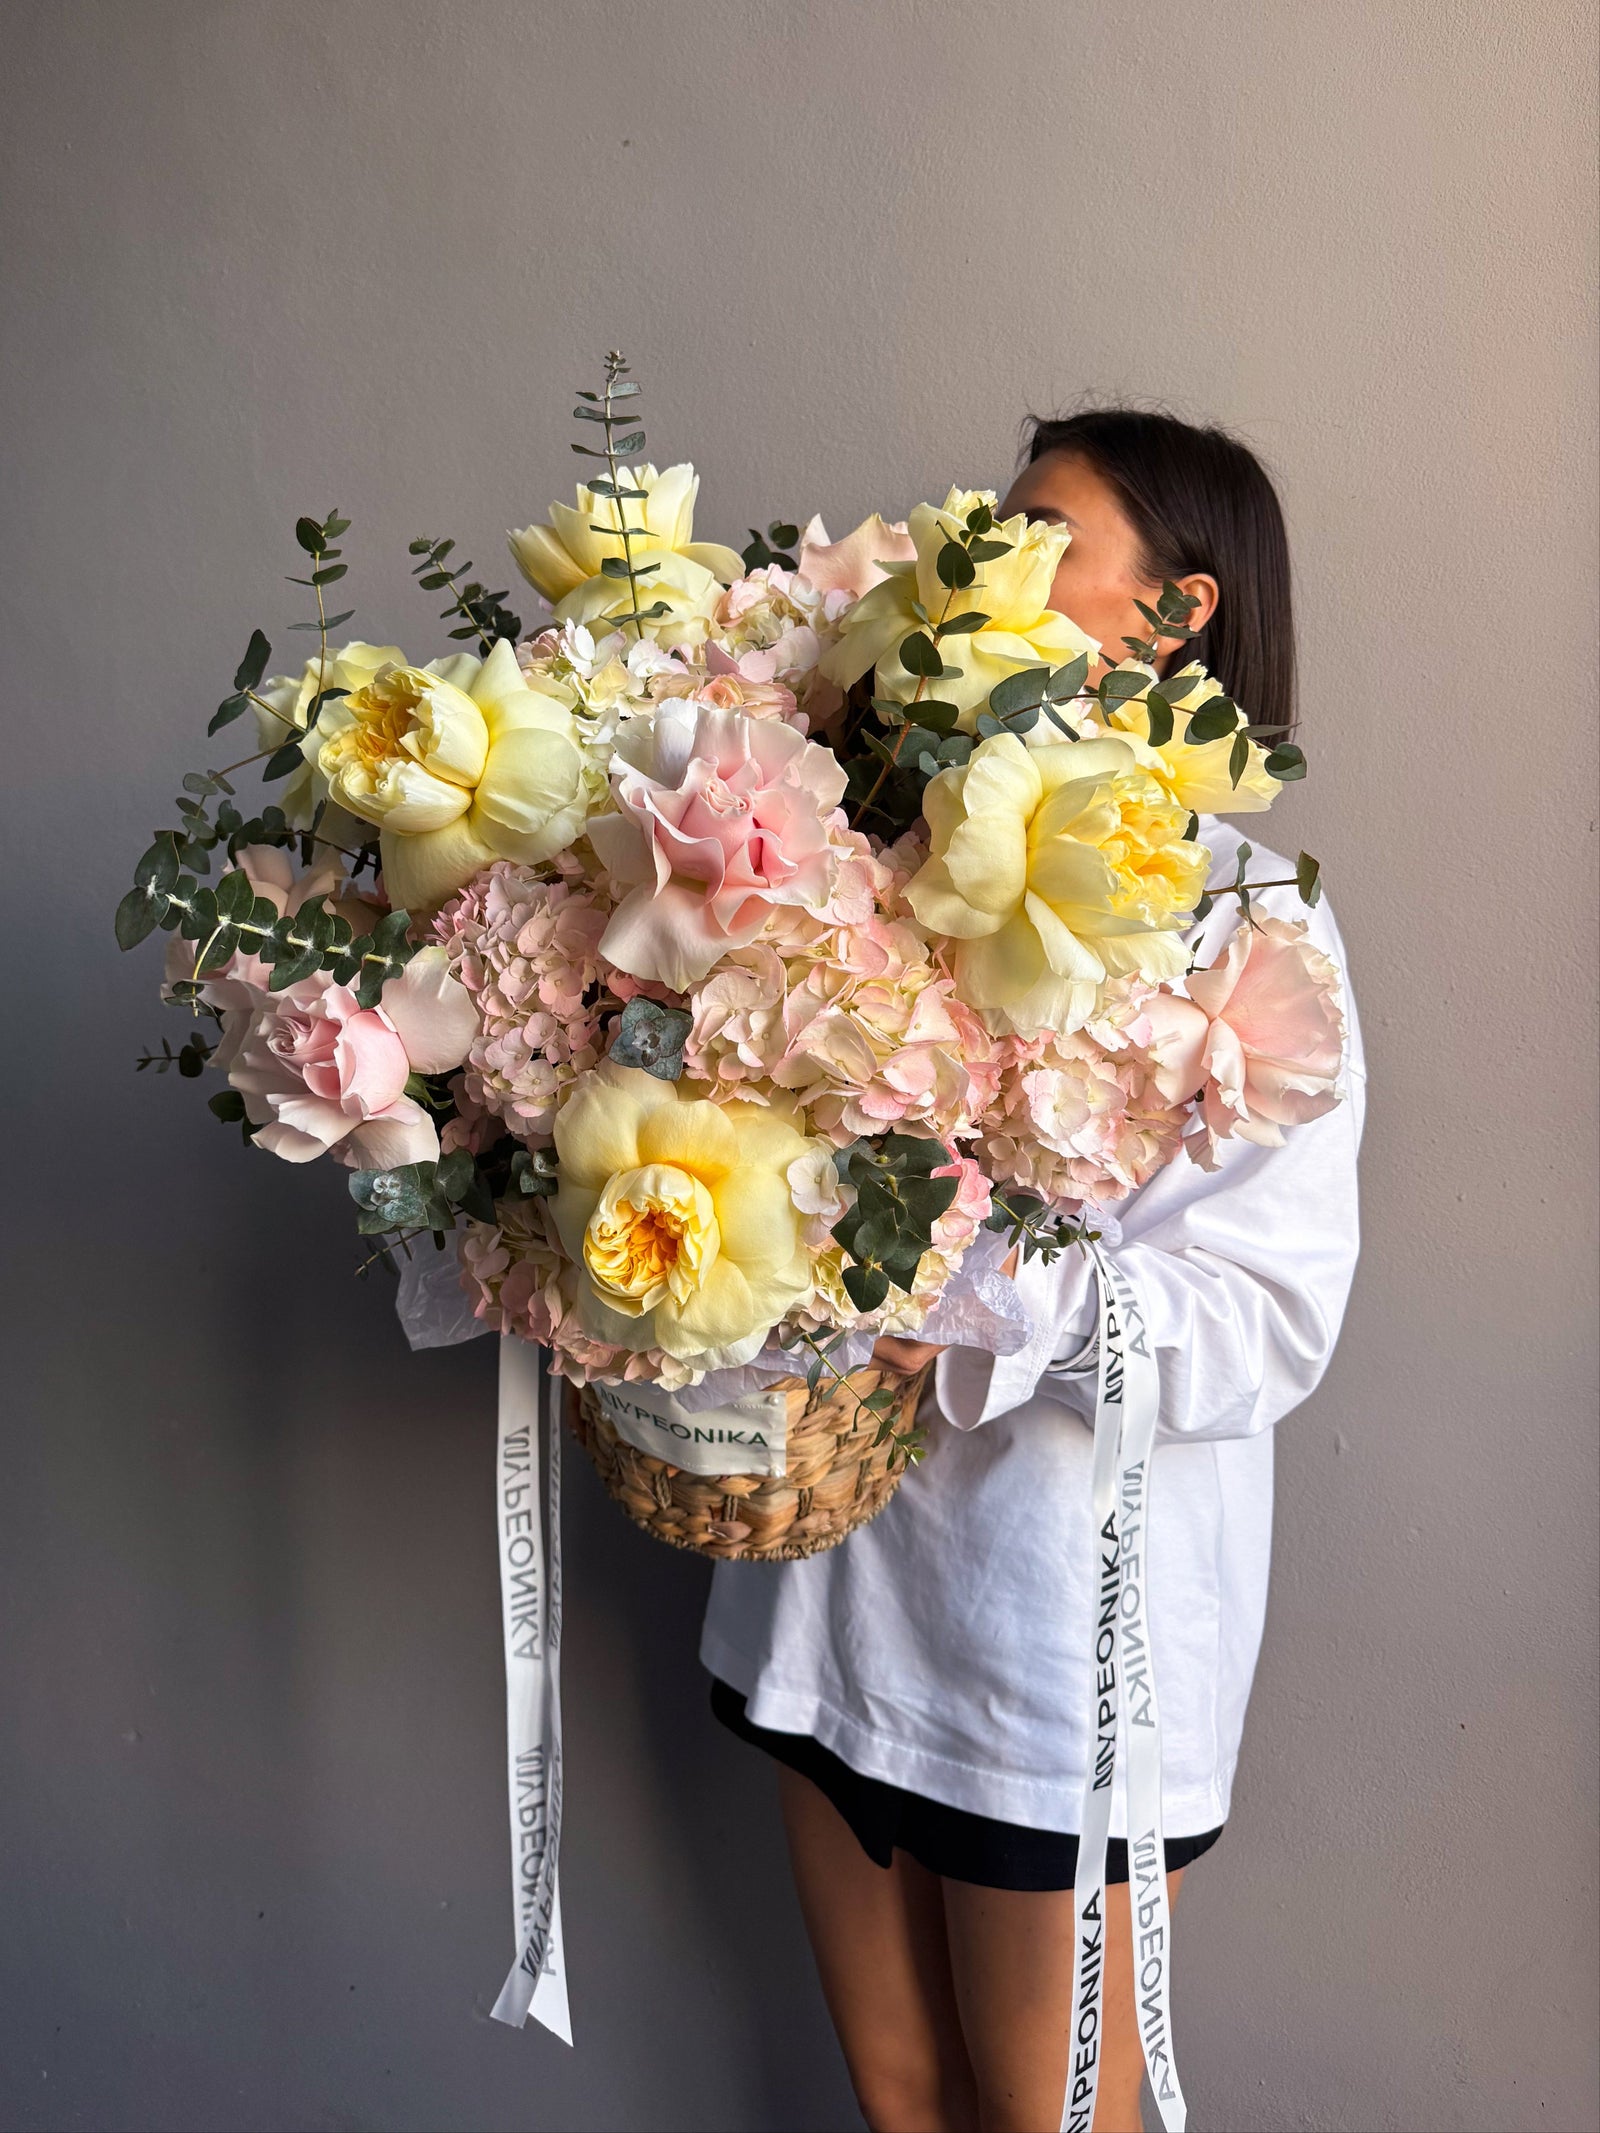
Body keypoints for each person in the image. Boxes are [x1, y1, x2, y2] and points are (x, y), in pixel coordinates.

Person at [701, 409, 1366, 2133]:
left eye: (1041, 534)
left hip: (1055, 1627)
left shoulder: (1254, 919)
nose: (983, 560)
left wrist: (978, 1299)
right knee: (901, 2090)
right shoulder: (884, 842)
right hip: (836, 1579)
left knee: (1051, 2111)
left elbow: (1268, 1319)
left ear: (1177, 610)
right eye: (992, 525)